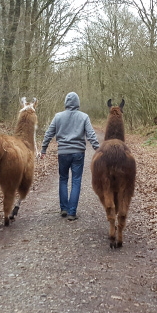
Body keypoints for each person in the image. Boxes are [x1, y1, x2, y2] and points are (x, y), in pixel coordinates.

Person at [40, 92, 100, 221]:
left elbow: (48, 134)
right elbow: (91, 135)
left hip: (63, 153)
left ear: (66, 103)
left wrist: (43, 149)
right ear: (77, 103)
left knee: (63, 179)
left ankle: (64, 209)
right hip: (78, 153)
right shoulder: (84, 117)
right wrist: (99, 150)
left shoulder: (58, 117)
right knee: (76, 181)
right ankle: (72, 212)